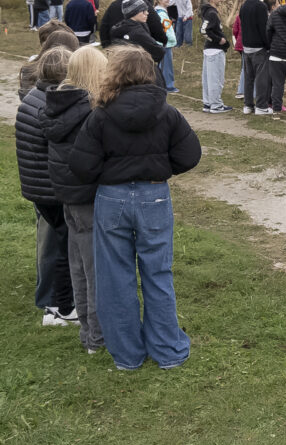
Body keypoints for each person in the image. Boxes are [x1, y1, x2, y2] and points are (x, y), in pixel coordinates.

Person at [69, 46, 202, 370]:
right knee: (157, 273)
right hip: (153, 196)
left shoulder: (101, 114)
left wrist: (112, 174)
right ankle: (168, 350)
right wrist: (158, 169)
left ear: (114, 73)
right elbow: (189, 154)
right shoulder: (167, 112)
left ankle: (127, 355)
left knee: (115, 277)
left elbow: (80, 164)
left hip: (112, 198)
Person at [43, 46, 109, 353]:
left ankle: (87, 331)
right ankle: (97, 337)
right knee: (94, 269)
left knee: (79, 266)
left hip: (68, 195)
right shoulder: (88, 111)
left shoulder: (59, 104)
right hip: (87, 196)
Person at [16, 46, 76, 327]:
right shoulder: (51, 106)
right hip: (52, 189)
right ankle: (60, 307)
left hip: (37, 187)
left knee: (57, 245)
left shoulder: (32, 98)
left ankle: (58, 303)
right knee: (64, 248)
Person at [110, 0, 166, 74]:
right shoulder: (137, 33)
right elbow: (159, 51)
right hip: (140, 72)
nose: (147, 13)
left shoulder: (119, 28)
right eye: (143, 11)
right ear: (133, 13)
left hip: (122, 71)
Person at [239, 0, 271, 115]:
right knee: (261, 78)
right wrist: (268, 45)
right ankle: (261, 106)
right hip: (258, 47)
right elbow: (264, 28)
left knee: (249, 78)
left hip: (246, 46)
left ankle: (248, 105)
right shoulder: (260, 6)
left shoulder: (244, 5)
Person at [199, 0, 233, 113]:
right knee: (216, 79)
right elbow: (203, 30)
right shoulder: (211, 13)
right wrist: (218, 39)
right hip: (215, 50)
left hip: (210, 50)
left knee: (208, 78)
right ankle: (216, 105)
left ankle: (208, 103)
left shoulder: (209, 12)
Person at [228, 0, 252, 103]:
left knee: (245, 67)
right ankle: (241, 90)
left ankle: (244, 90)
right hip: (245, 45)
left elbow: (235, 31)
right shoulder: (244, 15)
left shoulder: (237, 16)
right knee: (246, 68)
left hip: (240, 45)